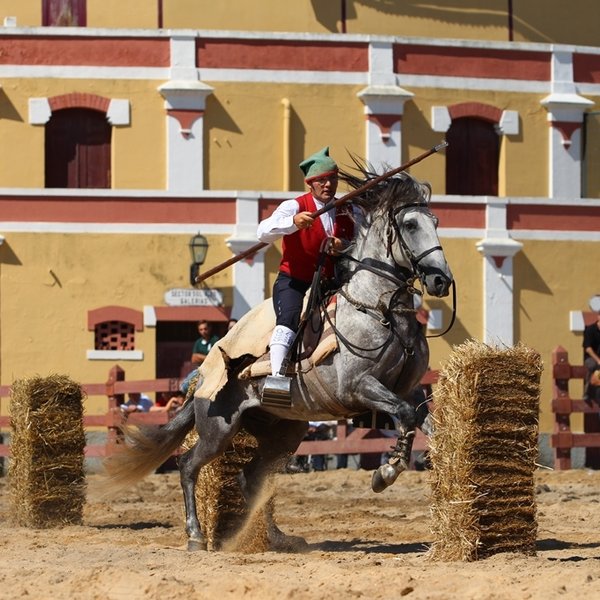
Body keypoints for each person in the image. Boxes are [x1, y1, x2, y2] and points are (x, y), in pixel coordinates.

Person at [256, 146, 355, 377]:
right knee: (288, 320)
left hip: (333, 283)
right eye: (321, 181)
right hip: (294, 281)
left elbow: (361, 241)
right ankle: (277, 378)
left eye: (332, 179)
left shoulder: (348, 209)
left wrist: (344, 246)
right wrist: (292, 222)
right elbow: (262, 232)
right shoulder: (294, 206)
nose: (328, 185)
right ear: (310, 184)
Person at [583, 311, 600, 403]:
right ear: (598, 317)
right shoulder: (590, 329)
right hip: (591, 358)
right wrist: (598, 360)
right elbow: (588, 349)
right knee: (592, 365)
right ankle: (587, 393)